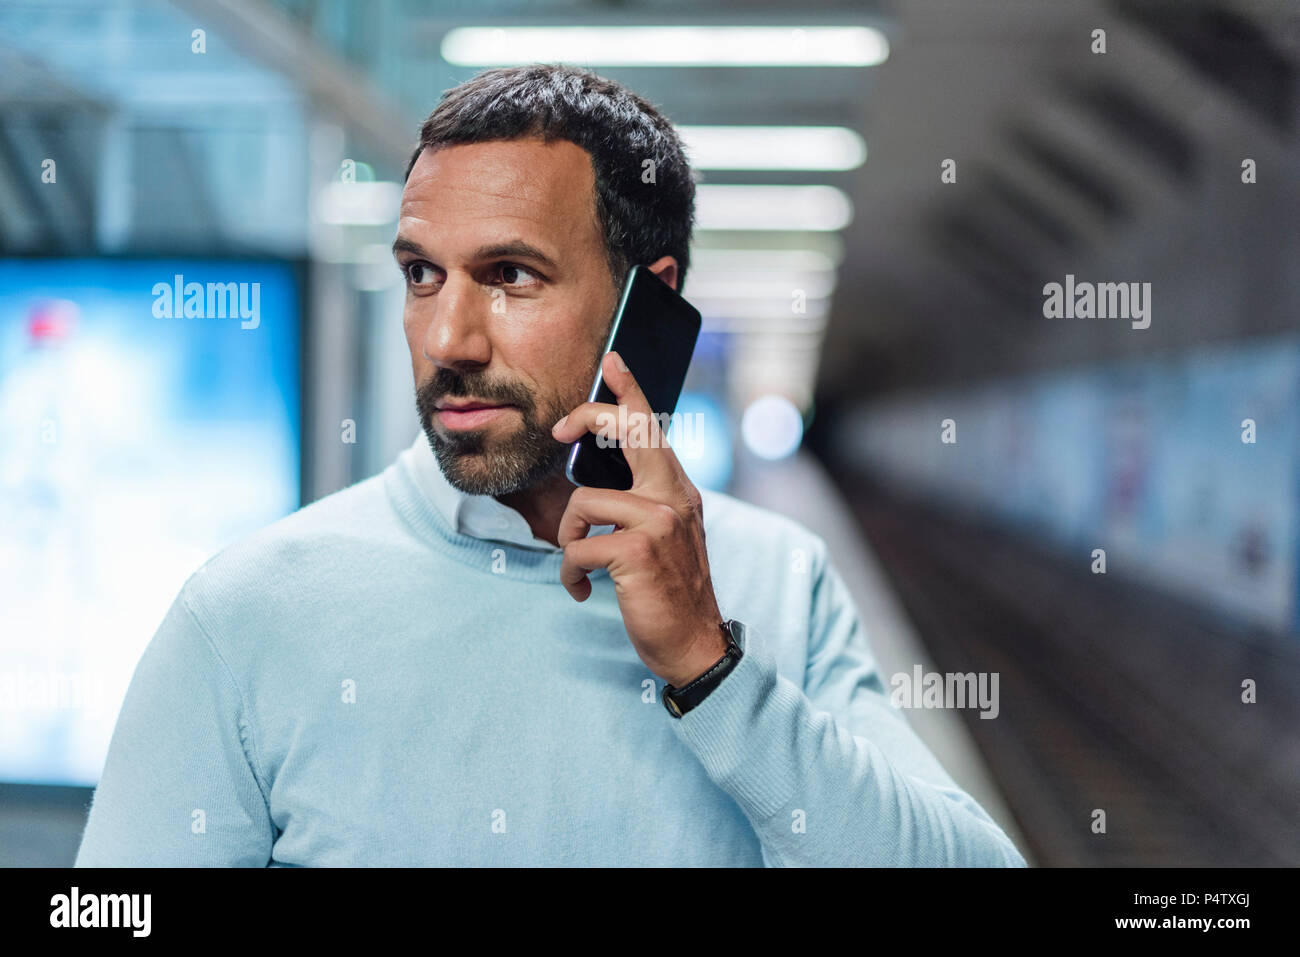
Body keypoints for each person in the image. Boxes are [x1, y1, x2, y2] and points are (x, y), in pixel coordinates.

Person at [76, 63, 1026, 867]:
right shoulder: (244, 612)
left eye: (510, 276)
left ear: (645, 307)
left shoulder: (779, 581)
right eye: (420, 274)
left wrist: (712, 672)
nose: (447, 336)